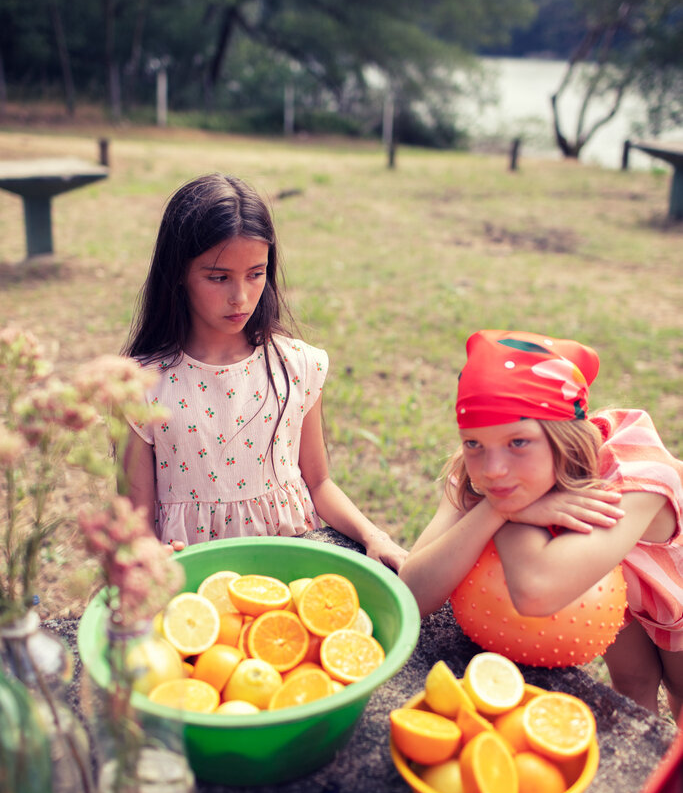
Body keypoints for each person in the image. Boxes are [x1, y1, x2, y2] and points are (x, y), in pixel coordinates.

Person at [121, 172, 406, 571]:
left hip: (289, 564)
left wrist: (375, 537)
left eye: (256, 274)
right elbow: (133, 523)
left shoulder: (297, 366)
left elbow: (319, 483)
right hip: (195, 579)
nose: (240, 297)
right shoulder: (141, 387)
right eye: (218, 278)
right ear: (178, 274)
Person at [399, 329, 683, 716]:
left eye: (518, 442)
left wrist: (505, 513)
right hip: (619, 585)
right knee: (633, 682)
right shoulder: (481, 473)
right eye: (473, 443)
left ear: (563, 438)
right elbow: (410, 595)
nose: (494, 470)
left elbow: (537, 589)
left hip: (674, 586)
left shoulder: (637, 477)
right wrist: (496, 510)